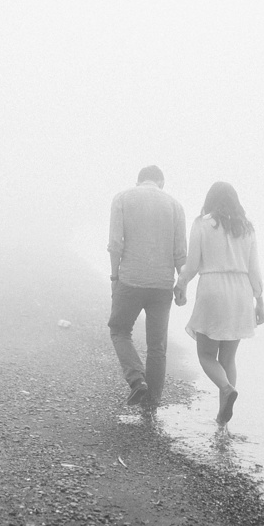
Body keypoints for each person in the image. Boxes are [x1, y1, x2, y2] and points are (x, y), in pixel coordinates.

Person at [173, 182, 264, 425]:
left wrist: (181, 285)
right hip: (241, 292)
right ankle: (224, 418)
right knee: (228, 358)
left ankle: (225, 388)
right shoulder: (247, 228)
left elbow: (192, 265)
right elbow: (254, 269)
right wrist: (260, 300)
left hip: (213, 289)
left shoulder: (203, 223)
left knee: (205, 354)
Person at [107, 165, 187, 409]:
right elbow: (180, 253)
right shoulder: (175, 205)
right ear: (161, 182)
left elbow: (115, 244)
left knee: (120, 330)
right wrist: (181, 284)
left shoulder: (122, 198)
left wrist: (114, 276)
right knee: (157, 346)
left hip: (130, 279)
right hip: (162, 285)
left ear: (138, 180)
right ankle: (152, 404)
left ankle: (136, 380)